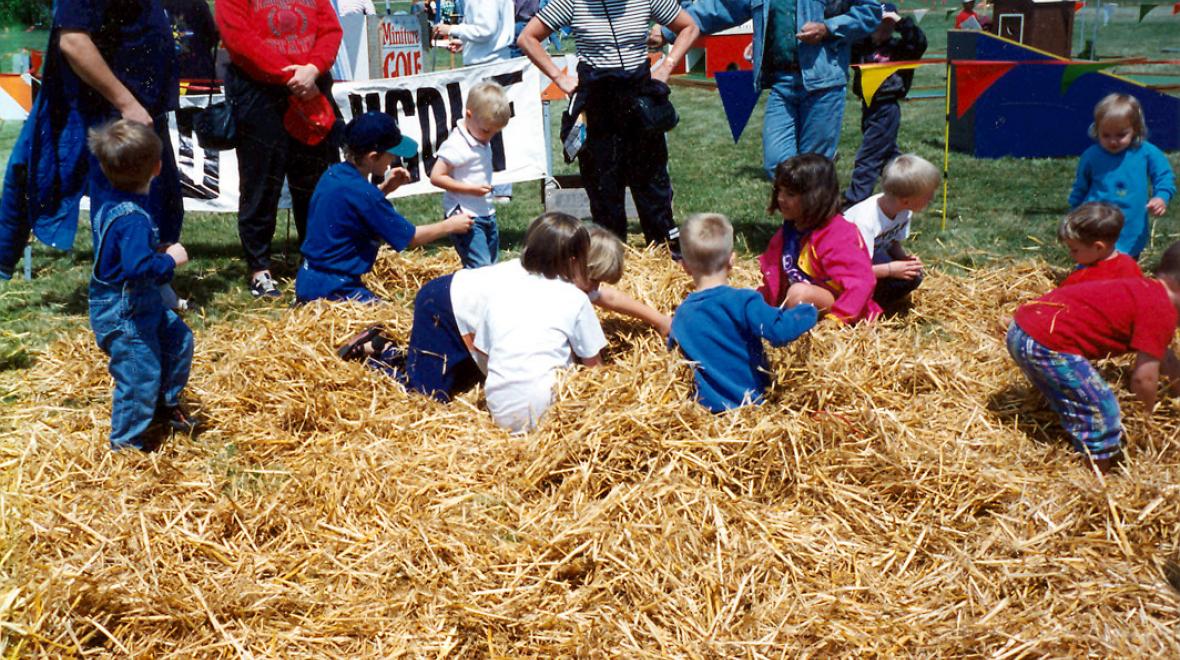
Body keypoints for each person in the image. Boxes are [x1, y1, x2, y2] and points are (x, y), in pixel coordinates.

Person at [369, 220, 670, 403]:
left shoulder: (562, 277)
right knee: (427, 397)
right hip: (444, 306)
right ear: (573, 262)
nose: (594, 288)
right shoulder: (545, 284)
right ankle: (381, 357)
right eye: (592, 279)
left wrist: (659, 320)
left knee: (462, 383)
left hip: (469, 320)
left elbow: (607, 296)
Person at [0, 0, 183, 280]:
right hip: (114, 111)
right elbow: (73, 41)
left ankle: (153, 288)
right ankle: (125, 297)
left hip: (141, 107)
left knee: (160, 201)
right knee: (123, 210)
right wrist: (127, 103)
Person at [518, 0, 700, 258]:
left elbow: (689, 26)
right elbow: (527, 38)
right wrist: (560, 78)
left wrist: (668, 65)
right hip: (597, 104)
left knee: (653, 187)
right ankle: (610, 263)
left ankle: (664, 258)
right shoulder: (571, 2)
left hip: (639, 101)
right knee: (604, 193)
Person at [652, 0, 880, 179]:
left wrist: (828, 28)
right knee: (777, 165)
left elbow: (870, 12)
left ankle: (810, 236)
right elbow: (719, 8)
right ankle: (801, 229)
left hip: (824, 81)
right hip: (782, 82)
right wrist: (669, 31)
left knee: (814, 170)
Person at [1006, 240, 1180, 473]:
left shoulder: (1146, 290)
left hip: (1025, 328)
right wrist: (1145, 422)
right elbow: (1144, 379)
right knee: (1102, 410)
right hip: (1044, 344)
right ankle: (1097, 475)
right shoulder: (1162, 310)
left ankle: (1074, 428)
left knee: (1078, 395)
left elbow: (1164, 356)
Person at [215, 0, 344, 299]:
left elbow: (330, 29)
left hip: (310, 89)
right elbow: (239, 39)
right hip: (261, 96)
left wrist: (313, 68)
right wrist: (292, 76)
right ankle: (259, 267)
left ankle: (315, 258)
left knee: (312, 183)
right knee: (261, 183)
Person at [86, 120, 195, 452]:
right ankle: (126, 444)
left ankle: (164, 402)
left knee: (178, 338)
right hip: (124, 314)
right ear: (158, 168)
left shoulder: (112, 205)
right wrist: (170, 260)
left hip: (138, 305)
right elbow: (137, 269)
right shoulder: (132, 217)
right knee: (138, 373)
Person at [294, 112, 473, 304]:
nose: (394, 158)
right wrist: (451, 225)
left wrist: (385, 188)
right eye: (391, 153)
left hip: (307, 278)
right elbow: (410, 238)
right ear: (373, 157)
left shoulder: (333, 174)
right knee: (392, 329)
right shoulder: (366, 195)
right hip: (336, 289)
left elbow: (353, 208)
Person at [669, 213, 818, 412]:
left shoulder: (681, 315)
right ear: (732, 260)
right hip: (752, 405)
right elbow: (779, 331)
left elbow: (675, 360)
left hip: (707, 412)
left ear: (685, 267)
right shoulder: (744, 302)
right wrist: (807, 311)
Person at [476, 213, 607, 432]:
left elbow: (483, 354)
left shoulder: (499, 294)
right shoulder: (575, 298)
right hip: (553, 410)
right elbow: (594, 369)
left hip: (500, 411)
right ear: (573, 261)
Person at [758, 154, 881, 324]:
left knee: (798, 293)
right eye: (779, 190)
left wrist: (835, 321)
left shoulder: (838, 234)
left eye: (790, 194)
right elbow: (774, 275)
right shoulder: (789, 230)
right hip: (801, 301)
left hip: (843, 309)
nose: (780, 198)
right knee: (748, 300)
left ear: (815, 197)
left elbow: (861, 282)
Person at [1068, 93, 1175, 260]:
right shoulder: (1091, 155)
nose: (1113, 141)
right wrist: (1074, 211)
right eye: (1106, 135)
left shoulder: (1146, 152)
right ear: (1097, 130)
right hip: (1095, 220)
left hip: (1131, 222)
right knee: (1093, 258)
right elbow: (1081, 185)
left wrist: (1161, 197)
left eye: (1121, 135)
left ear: (1135, 129)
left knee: (1126, 259)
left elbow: (1164, 176)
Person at [843, 3, 926, 207]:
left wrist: (900, 22)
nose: (883, 29)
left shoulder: (901, 48)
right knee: (888, 156)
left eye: (888, 25)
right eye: (878, 24)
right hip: (869, 106)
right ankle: (910, 187)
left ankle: (854, 201)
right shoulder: (861, 46)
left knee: (869, 156)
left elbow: (919, 42)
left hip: (887, 108)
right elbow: (847, 40)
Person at [429, 82, 511, 268]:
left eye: (494, 133)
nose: (489, 137)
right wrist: (470, 189)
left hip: (486, 211)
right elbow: (436, 176)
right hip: (465, 216)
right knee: (480, 269)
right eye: (486, 131)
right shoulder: (456, 144)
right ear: (469, 115)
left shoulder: (479, 135)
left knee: (490, 267)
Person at [843, 153, 939, 309]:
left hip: (869, 255)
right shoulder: (865, 221)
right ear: (906, 200)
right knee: (880, 278)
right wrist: (890, 270)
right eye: (928, 196)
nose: (931, 198)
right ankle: (859, 306)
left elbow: (892, 241)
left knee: (912, 276)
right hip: (841, 265)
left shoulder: (904, 210)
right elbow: (855, 270)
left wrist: (903, 259)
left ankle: (876, 302)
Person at [1059, 202, 1143, 287]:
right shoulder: (1130, 264)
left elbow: (1055, 298)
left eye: (1074, 250)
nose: (1071, 254)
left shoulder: (1080, 280)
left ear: (1098, 247)